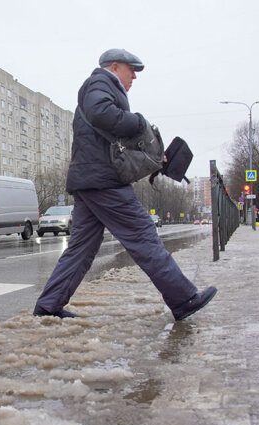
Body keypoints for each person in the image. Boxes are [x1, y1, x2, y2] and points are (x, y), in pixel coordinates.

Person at [32, 49, 217, 321]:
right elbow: (101, 113)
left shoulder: (100, 85)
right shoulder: (99, 82)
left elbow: (107, 132)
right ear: (115, 66)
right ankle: (183, 298)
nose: (134, 77)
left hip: (90, 179)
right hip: (103, 181)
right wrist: (140, 123)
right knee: (143, 236)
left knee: (81, 249)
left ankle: (48, 306)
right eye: (131, 70)